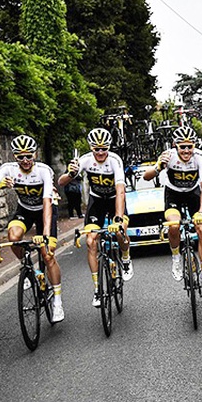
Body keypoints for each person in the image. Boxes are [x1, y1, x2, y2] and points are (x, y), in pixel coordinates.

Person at [0, 135, 64, 322]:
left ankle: (58, 302)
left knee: (47, 254)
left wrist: (44, 235)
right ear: (14, 156)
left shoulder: (44, 171)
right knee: (14, 237)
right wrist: (0, 185)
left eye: (29, 156)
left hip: (45, 210)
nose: (25, 160)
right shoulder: (8, 169)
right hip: (25, 211)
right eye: (20, 157)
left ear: (35, 154)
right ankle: (28, 267)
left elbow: (47, 203)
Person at [58, 128, 134, 308]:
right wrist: (70, 173)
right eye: (96, 149)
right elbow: (61, 182)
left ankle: (125, 258)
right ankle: (98, 289)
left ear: (108, 147)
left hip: (115, 200)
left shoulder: (115, 161)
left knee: (120, 231)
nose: (100, 153)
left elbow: (120, 190)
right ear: (91, 148)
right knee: (91, 241)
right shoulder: (84, 160)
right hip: (97, 202)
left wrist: (118, 217)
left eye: (104, 149)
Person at [143, 126, 202, 296]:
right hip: (173, 194)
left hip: (193, 193)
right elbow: (146, 177)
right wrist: (159, 166)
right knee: (173, 226)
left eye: (190, 146)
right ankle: (176, 257)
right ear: (175, 145)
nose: (187, 150)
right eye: (183, 147)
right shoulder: (168, 156)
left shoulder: (199, 157)